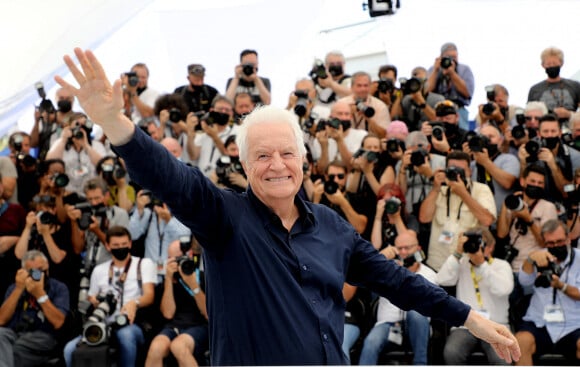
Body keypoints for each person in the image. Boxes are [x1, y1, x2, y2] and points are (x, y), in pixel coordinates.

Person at [55, 48, 521, 365]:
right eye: (262, 155)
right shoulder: (223, 219)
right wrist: (117, 125)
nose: (276, 165)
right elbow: (172, 178)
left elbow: (396, 280)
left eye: (286, 153)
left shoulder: (332, 228)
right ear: (242, 161)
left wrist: (470, 317)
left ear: (303, 159)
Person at [63, 226, 157, 367]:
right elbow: (91, 297)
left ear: (130, 244)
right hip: (102, 323)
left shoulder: (143, 264)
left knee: (125, 336)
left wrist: (135, 302)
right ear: (108, 246)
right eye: (116, 245)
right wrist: (94, 300)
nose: (121, 248)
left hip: (131, 323)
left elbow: (149, 295)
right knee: (70, 349)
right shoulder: (99, 270)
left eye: (124, 244)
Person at [437, 228, 514, 365]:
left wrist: (482, 265)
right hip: (466, 325)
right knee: (451, 352)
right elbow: (442, 280)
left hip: (496, 325)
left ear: (490, 247)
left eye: (480, 244)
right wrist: (457, 253)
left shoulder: (501, 265)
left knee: (502, 358)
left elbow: (503, 289)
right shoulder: (461, 264)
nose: (475, 248)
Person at [359, 231, 435, 365]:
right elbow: (364, 277)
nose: (404, 252)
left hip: (417, 325)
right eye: (400, 249)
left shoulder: (429, 274)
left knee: (416, 313)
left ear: (418, 249)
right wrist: (381, 260)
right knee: (371, 342)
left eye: (408, 248)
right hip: (387, 323)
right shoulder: (386, 270)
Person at [515, 219, 580, 365]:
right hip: (540, 322)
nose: (556, 246)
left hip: (573, 324)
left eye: (560, 241)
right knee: (520, 343)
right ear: (544, 242)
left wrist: (561, 286)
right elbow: (524, 282)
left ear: (568, 239)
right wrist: (530, 260)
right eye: (551, 243)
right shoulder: (538, 256)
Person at [419, 150, 496, 271]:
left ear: (470, 172)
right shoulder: (439, 190)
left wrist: (463, 194)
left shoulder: (481, 190)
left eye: (461, 171)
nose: (457, 174)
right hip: (438, 263)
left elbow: (487, 220)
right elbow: (424, 218)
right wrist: (435, 188)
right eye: (452, 169)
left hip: (467, 264)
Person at [145, 239, 208, 367]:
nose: (178, 263)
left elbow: (208, 314)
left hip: (199, 325)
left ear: (189, 255)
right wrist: (168, 279)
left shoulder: (202, 277)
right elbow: (168, 314)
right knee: (156, 348)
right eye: (172, 259)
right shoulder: (169, 280)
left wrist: (193, 284)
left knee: (179, 347)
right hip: (175, 325)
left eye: (179, 258)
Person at [0, 250, 69, 367]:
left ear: (48, 267)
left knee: (17, 349)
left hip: (42, 335)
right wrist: (18, 289)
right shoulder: (15, 287)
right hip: (15, 332)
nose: (40, 275)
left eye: (42, 270)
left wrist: (40, 295)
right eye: (34, 272)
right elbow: (1, 320)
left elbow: (58, 322)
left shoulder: (58, 287)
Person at [464, 123, 520, 216]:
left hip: (501, 217)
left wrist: (485, 162)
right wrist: (465, 159)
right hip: (476, 216)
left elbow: (507, 183)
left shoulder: (508, 159)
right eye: (483, 137)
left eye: (491, 136)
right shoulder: (473, 164)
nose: (487, 140)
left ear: (500, 140)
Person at [45, 112, 107, 195]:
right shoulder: (60, 145)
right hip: (69, 194)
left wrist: (86, 146)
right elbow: (49, 164)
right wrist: (63, 139)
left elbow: (104, 165)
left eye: (84, 125)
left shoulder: (96, 145)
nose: (81, 129)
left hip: (93, 194)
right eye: (77, 125)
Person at [426, 42, 475, 130]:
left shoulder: (464, 69)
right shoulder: (433, 69)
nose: (451, 60)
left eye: (454, 57)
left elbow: (467, 93)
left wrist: (452, 74)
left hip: (458, 110)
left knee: (462, 136)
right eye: (448, 57)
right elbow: (427, 91)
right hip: (437, 111)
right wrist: (436, 70)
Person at [527, 47, 580, 124]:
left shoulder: (575, 86)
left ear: (561, 63)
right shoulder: (535, 89)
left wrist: (570, 115)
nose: (552, 66)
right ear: (543, 65)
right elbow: (529, 114)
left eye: (554, 63)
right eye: (548, 64)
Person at [338, 71, 391, 138]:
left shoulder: (380, 106)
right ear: (352, 87)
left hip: (371, 144)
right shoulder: (341, 104)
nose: (363, 89)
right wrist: (348, 113)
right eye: (359, 86)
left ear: (370, 87)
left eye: (366, 85)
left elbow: (384, 135)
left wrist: (369, 119)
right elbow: (334, 130)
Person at [393, 66, 445, 132]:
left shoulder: (438, 99)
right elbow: (395, 118)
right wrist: (399, 98)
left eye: (421, 81)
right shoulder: (407, 100)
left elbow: (438, 119)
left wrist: (421, 101)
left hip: (431, 133)